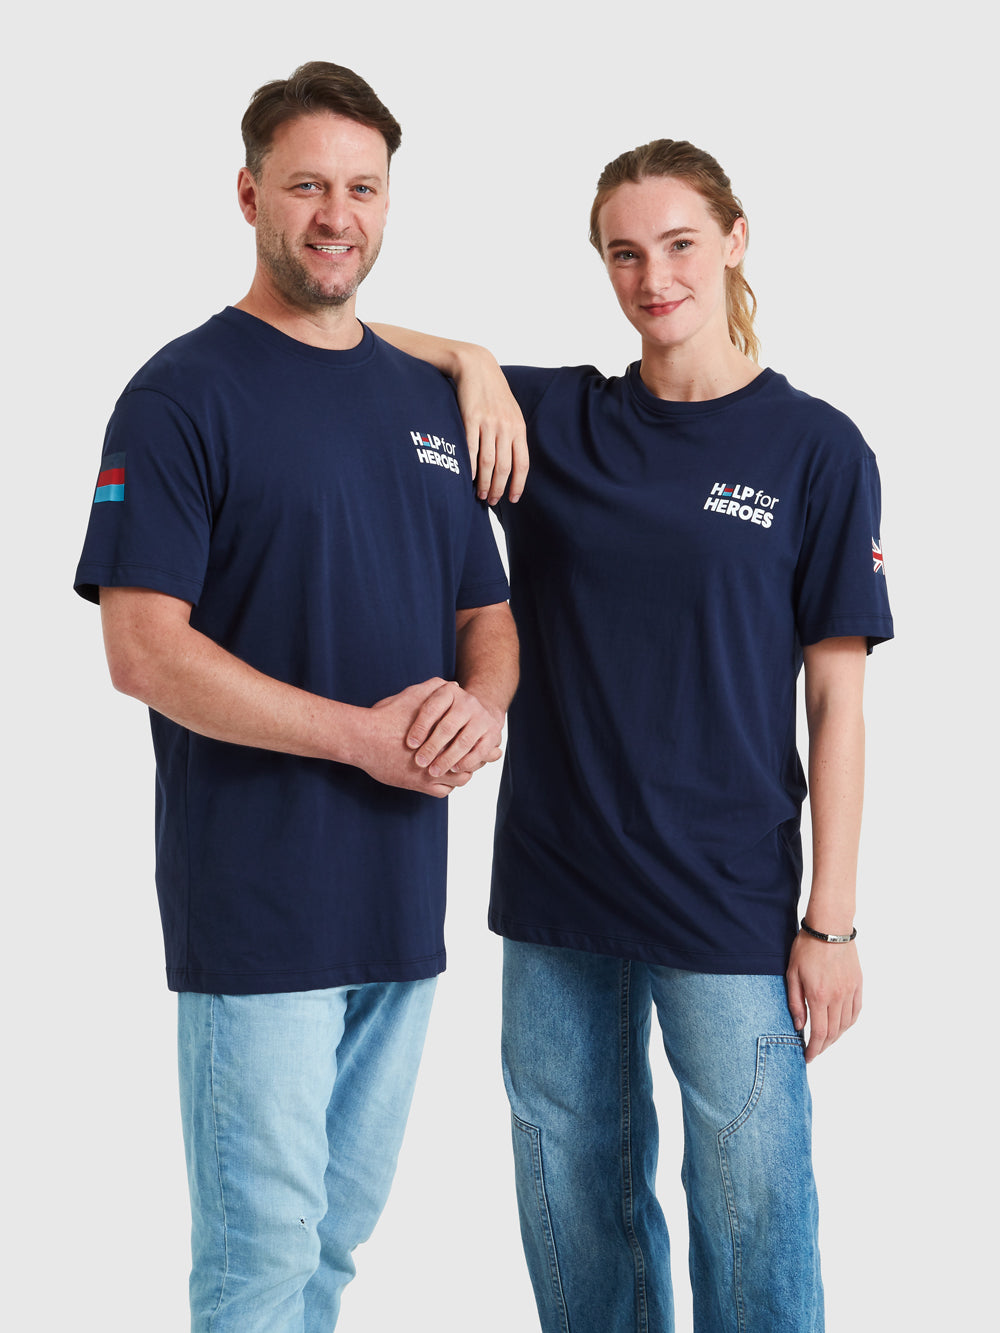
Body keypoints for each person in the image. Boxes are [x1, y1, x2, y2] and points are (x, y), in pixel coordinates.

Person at [374, 137, 893, 1332]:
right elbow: (348, 347)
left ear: (734, 241)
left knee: (752, 1210)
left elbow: (838, 704)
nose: (652, 277)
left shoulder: (815, 450)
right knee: (570, 1201)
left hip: (724, 895)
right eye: (623, 253)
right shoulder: (555, 414)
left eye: (677, 245)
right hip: (557, 887)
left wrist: (832, 921)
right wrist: (468, 359)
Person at [73, 61, 518, 1333]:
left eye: (364, 187)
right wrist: (364, 740)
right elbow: (143, 649)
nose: (338, 215)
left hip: (398, 909)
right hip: (259, 910)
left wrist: (480, 709)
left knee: (331, 1251)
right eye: (309, 184)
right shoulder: (180, 396)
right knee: (261, 1262)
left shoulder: (424, 399)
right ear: (249, 193)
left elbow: (487, 618)